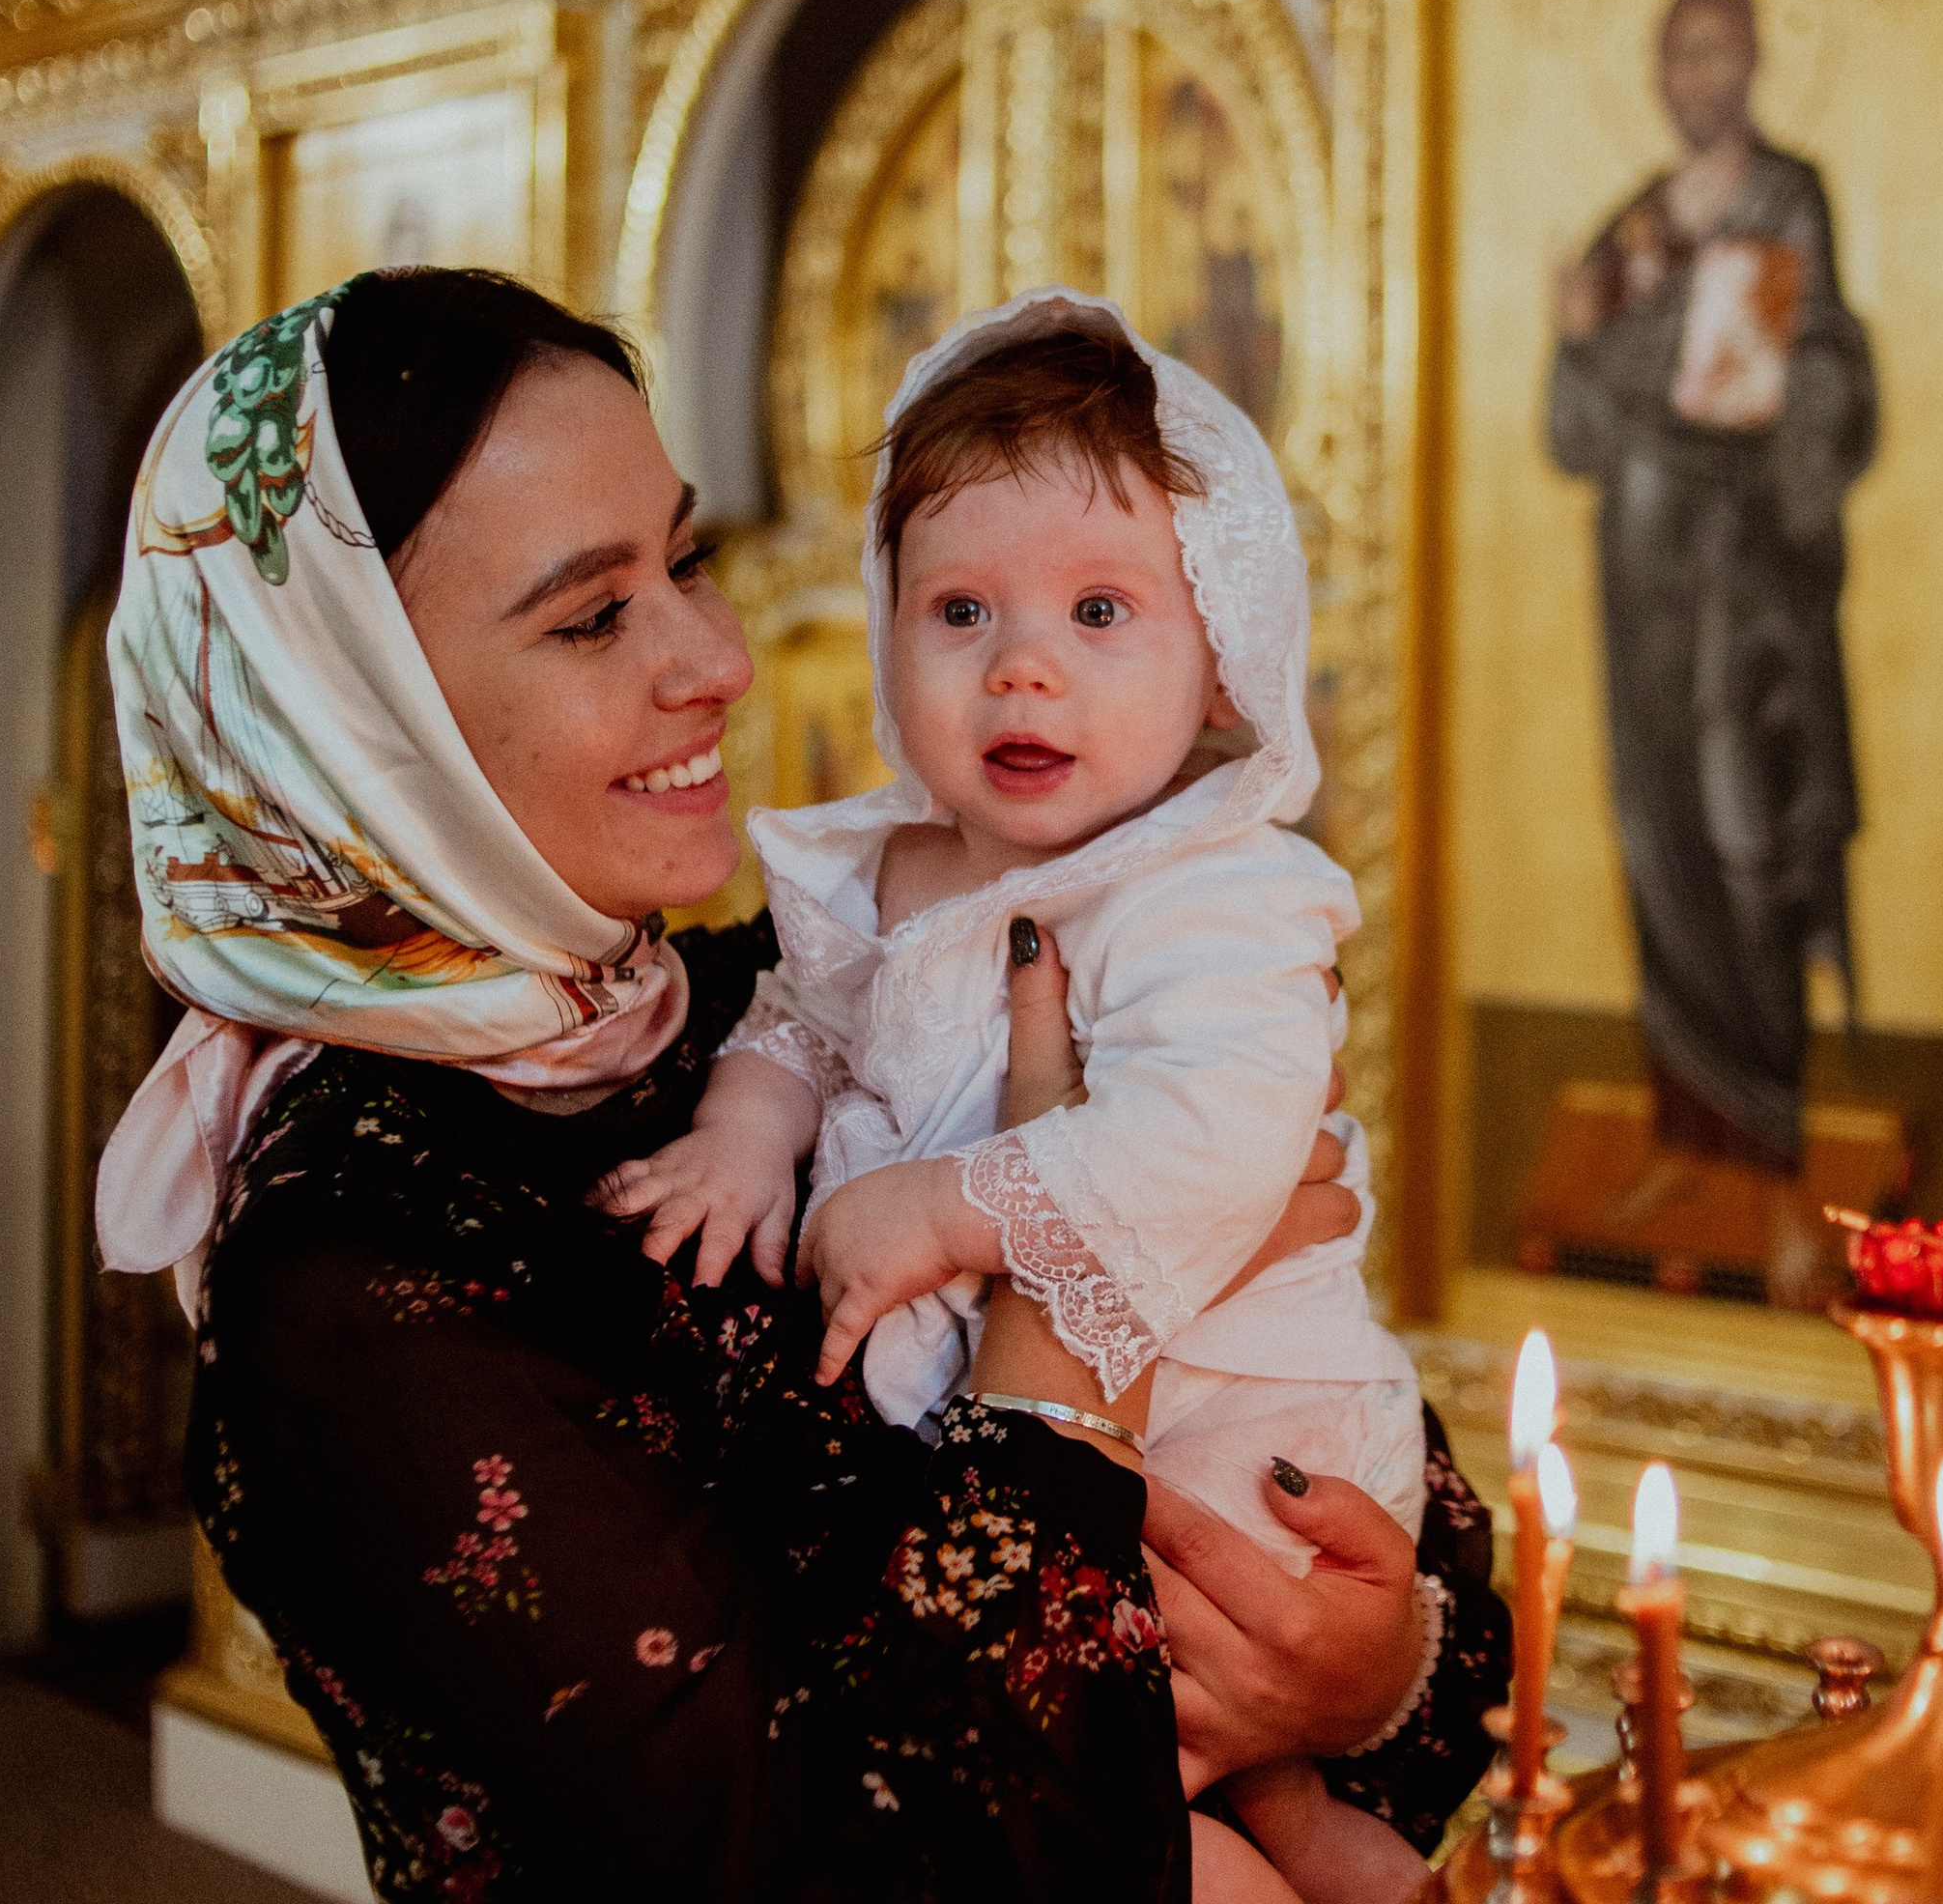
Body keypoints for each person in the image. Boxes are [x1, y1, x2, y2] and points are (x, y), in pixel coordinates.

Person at [93, 268, 1508, 1899]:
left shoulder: (788, 991)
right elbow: (819, 1859)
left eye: (685, 557)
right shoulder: (357, 1286)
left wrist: (1357, 1666)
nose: (719, 660)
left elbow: (1388, 1471)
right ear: (353, 727)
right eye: (593, 613)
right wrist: (1058, 1326)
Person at [605, 293, 1470, 1900]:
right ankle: (1290, 1826)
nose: (1021, 670)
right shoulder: (892, 868)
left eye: (1098, 611)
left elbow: (1213, 1147)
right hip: (1034, 1487)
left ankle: (1283, 1829)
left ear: (1221, 652)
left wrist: (939, 1210)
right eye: (959, 614)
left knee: (1157, 1791)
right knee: (1145, 1811)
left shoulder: (1217, 894)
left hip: (1238, 1439)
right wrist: (742, 1129)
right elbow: (799, 1021)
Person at [1548, 0, 1877, 1307]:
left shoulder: (1787, 197)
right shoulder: (1628, 226)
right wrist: (1584, 342)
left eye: (1720, 51)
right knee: (1659, 834)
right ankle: (1695, 1147)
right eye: (1678, 52)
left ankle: (1788, 1168)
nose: (1700, 75)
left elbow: (1839, 381)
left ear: (1750, 64)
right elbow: (1572, 428)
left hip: (1748, 588)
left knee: (1752, 844)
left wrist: (1771, 385)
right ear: (1659, 73)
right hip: (1642, 574)